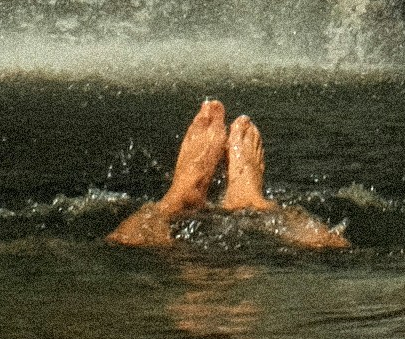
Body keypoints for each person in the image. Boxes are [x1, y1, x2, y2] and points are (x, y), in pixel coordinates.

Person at [109, 93, 349, 252]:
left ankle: (183, 192)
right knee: (330, 247)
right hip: (249, 298)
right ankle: (248, 199)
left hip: (173, 291)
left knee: (126, 245)